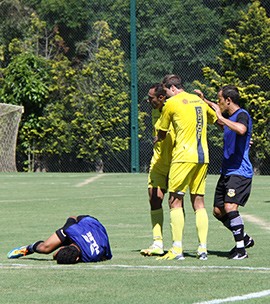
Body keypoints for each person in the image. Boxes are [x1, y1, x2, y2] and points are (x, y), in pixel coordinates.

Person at [155, 74, 217, 261]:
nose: (165, 96)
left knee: (174, 201)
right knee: (199, 203)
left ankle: (177, 248)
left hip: (183, 157)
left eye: (165, 91)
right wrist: (204, 99)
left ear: (172, 88)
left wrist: (158, 138)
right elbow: (215, 117)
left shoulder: (171, 103)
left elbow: (163, 132)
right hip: (203, 157)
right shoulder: (198, 100)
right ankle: (202, 249)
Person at [195, 85, 254, 260]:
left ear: (228, 100)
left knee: (230, 207)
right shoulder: (230, 118)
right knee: (218, 211)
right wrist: (204, 100)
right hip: (227, 171)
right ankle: (243, 238)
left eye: (220, 100)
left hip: (240, 172)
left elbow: (242, 130)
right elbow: (219, 115)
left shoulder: (241, 115)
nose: (218, 102)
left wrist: (221, 117)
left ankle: (241, 250)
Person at [140, 83, 175, 256]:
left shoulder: (173, 107)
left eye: (151, 98)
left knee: (176, 203)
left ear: (161, 97)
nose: (148, 101)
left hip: (177, 161)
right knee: (154, 198)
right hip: (158, 162)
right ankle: (157, 243)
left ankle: (178, 244)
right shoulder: (155, 110)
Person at [7, 215, 112, 264]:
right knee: (45, 248)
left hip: (97, 229)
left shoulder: (93, 256)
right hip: (85, 221)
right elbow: (73, 217)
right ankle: (27, 249)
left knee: (50, 250)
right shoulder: (71, 229)